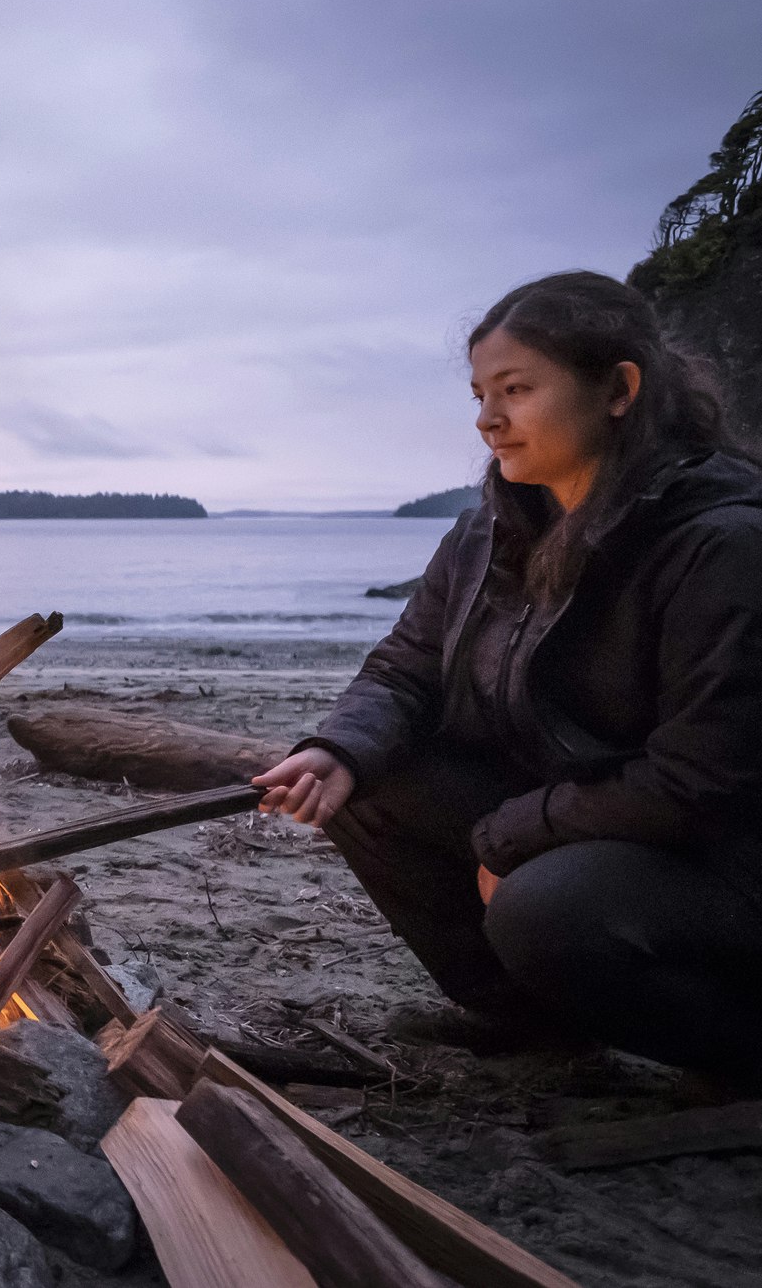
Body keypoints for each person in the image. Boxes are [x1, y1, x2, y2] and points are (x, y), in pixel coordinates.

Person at [254, 270, 762, 1084]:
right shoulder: (487, 530)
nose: (488, 420)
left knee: (544, 906)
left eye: (516, 390)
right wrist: (337, 749)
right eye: (479, 395)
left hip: (715, 859)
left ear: (619, 389)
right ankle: (529, 1024)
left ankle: (732, 1053)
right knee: (367, 779)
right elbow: (404, 668)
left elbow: (700, 781)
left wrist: (511, 835)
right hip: (580, 813)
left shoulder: (719, 544)